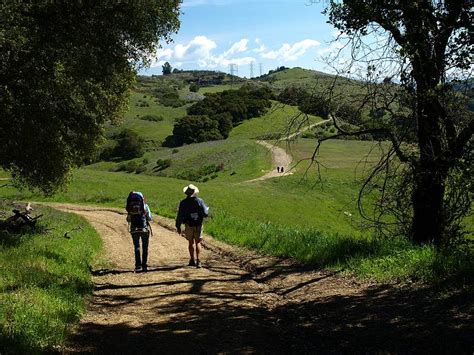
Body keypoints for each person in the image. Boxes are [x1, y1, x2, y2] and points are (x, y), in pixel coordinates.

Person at [175, 184, 209, 268]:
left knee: (191, 242)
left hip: (188, 224)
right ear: (194, 192)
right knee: (198, 242)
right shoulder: (200, 201)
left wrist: (178, 226)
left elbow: (179, 216)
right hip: (198, 224)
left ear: (186, 193)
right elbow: (205, 213)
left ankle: (192, 260)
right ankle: (199, 261)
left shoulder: (183, 202)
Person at [126, 191, 152, 272]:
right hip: (144, 229)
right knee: (145, 247)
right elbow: (150, 218)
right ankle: (144, 265)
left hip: (134, 229)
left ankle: (138, 265)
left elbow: (128, 219)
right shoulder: (145, 206)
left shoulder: (131, 207)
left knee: (137, 246)